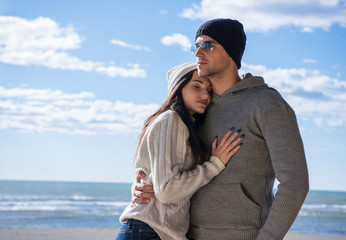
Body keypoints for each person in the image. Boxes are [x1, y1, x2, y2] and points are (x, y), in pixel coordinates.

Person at [131, 18, 309, 240]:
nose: (198, 53)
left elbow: (295, 183)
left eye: (207, 45)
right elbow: (170, 168)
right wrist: (143, 186)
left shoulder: (267, 104)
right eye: (196, 46)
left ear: (231, 52)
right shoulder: (197, 109)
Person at [115, 62, 244, 240]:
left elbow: (155, 178)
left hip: (152, 231)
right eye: (196, 86)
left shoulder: (182, 125)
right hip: (148, 231)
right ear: (178, 88)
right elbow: (167, 190)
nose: (205, 94)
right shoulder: (171, 120)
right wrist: (215, 164)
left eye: (209, 89)